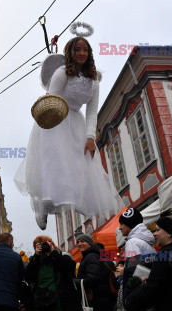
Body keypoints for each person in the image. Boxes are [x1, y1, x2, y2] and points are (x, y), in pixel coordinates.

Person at [14, 37, 123, 230]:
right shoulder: (62, 72)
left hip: (76, 123)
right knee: (54, 167)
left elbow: (91, 112)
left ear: (89, 54)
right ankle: (42, 207)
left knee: (80, 166)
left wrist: (90, 137)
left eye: (85, 50)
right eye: (77, 50)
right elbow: (52, 100)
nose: (81, 53)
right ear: (70, 53)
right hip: (54, 121)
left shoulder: (94, 79)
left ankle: (77, 201)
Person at [125, 217, 172, 311]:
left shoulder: (164, 254)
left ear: (169, 233)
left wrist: (130, 300)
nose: (154, 233)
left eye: (158, 230)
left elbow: (153, 285)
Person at [25, 235, 80, 311]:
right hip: (42, 304)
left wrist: (52, 253)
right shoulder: (35, 262)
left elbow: (70, 267)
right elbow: (28, 277)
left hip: (62, 303)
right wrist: (36, 256)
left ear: (51, 245)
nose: (43, 248)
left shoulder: (60, 257)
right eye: (40, 246)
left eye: (45, 245)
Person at [118, 208, 156, 303]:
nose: (119, 228)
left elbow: (134, 271)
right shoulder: (144, 241)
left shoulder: (132, 242)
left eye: (121, 224)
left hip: (140, 297)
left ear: (129, 224)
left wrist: (129, 297)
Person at [74, 234, 114, 311]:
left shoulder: (91, 256)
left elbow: (92, 278)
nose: (79, 244)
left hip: (97, 299)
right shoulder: (95, 255)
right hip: (103, 297)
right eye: (78, 242)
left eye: (83, 241)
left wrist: (75, 282)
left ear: (89, 243)